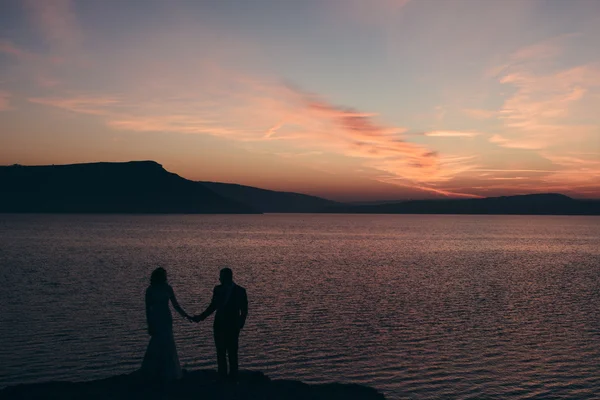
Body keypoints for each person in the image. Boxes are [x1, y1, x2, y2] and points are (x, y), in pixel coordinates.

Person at [193, 267, 248, 381]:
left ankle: (233, 377)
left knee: (232, 353)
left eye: (221, 277)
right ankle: (222, 377)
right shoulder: (217, 289)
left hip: (233, 326)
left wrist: (241, 323)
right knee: (220, 352)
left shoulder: (240, 291)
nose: (219, 279)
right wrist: (201, 317)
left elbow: (244, 310)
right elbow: (213, 306)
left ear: (227, 277)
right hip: (219, 325)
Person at [141, 267, 191, 381]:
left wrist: (186, 315)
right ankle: (153, 370)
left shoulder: (168, 288)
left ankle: (169, 370)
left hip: (166, 318)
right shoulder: (150, 290)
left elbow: (175, 305)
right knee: (156, 342)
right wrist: (149, 324)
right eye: (163, 275)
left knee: (168, 342)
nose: (165, 277)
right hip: (156, 318)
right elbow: (148, 308)